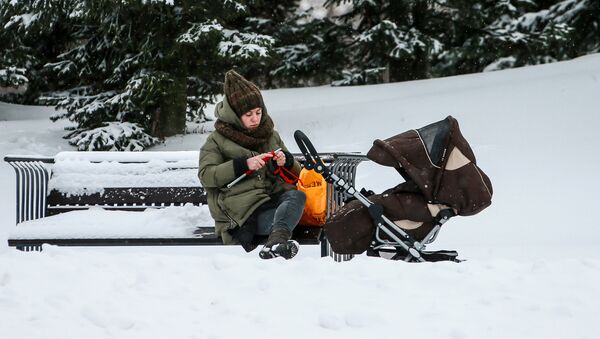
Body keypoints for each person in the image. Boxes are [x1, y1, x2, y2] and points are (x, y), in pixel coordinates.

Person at [198, 70, 306, 259]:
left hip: (276, 204)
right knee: (286, 215)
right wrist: (243, 165)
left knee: (297, 197)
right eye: (249, 115)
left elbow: (298, 174)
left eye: (258, 112)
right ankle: (277, 241)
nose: (256, 119)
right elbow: (206, 175)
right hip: (243, 218)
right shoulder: (216, 140)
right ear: (234, 115)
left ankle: (276, 241)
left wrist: (287, 161)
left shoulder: (270, 135)